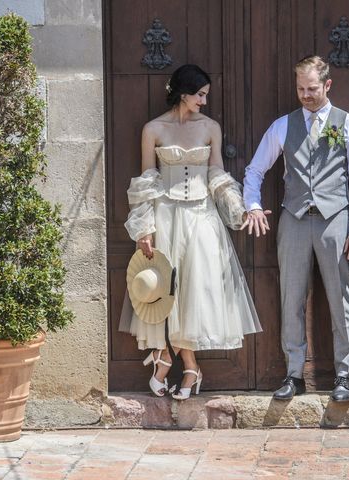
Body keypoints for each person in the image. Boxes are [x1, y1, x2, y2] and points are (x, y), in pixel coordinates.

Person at [120, 64, 262, 400]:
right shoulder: (153, 129)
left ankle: (175, 361)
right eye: (200, 94)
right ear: (183, 93)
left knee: (193, 294)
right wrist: (144, 227)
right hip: (165, 216)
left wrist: (241, 211)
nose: (204, 101)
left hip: (202, 218)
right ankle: (178, 360)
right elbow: (146, 182)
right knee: (163, 293)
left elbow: (217, 176)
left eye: (206, 95)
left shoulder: (210, 127)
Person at [242, 55, 349, 402]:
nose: (305, 95)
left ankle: (345, 375)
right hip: (295, 218)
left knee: (339, 296)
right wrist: (252, 206)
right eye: (300, 88)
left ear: (327, 85)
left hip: (336, 220)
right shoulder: (283, 126)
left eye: (312, 88)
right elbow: (255, 171)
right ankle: (293, 373)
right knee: (292, 296)